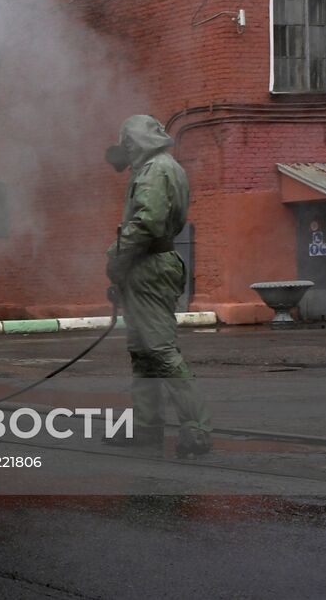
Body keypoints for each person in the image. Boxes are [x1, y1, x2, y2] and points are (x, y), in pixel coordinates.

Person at [103, 115, 212, 458]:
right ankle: (147, 428)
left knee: (160, 352)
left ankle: (196, 428)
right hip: (147, 265)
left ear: (135, 143)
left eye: (127, 144)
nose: (126, 151)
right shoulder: (163, 167)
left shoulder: (154, 170)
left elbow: (147, 222)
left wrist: (116, 258)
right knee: (143, 354)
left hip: (148, 264)